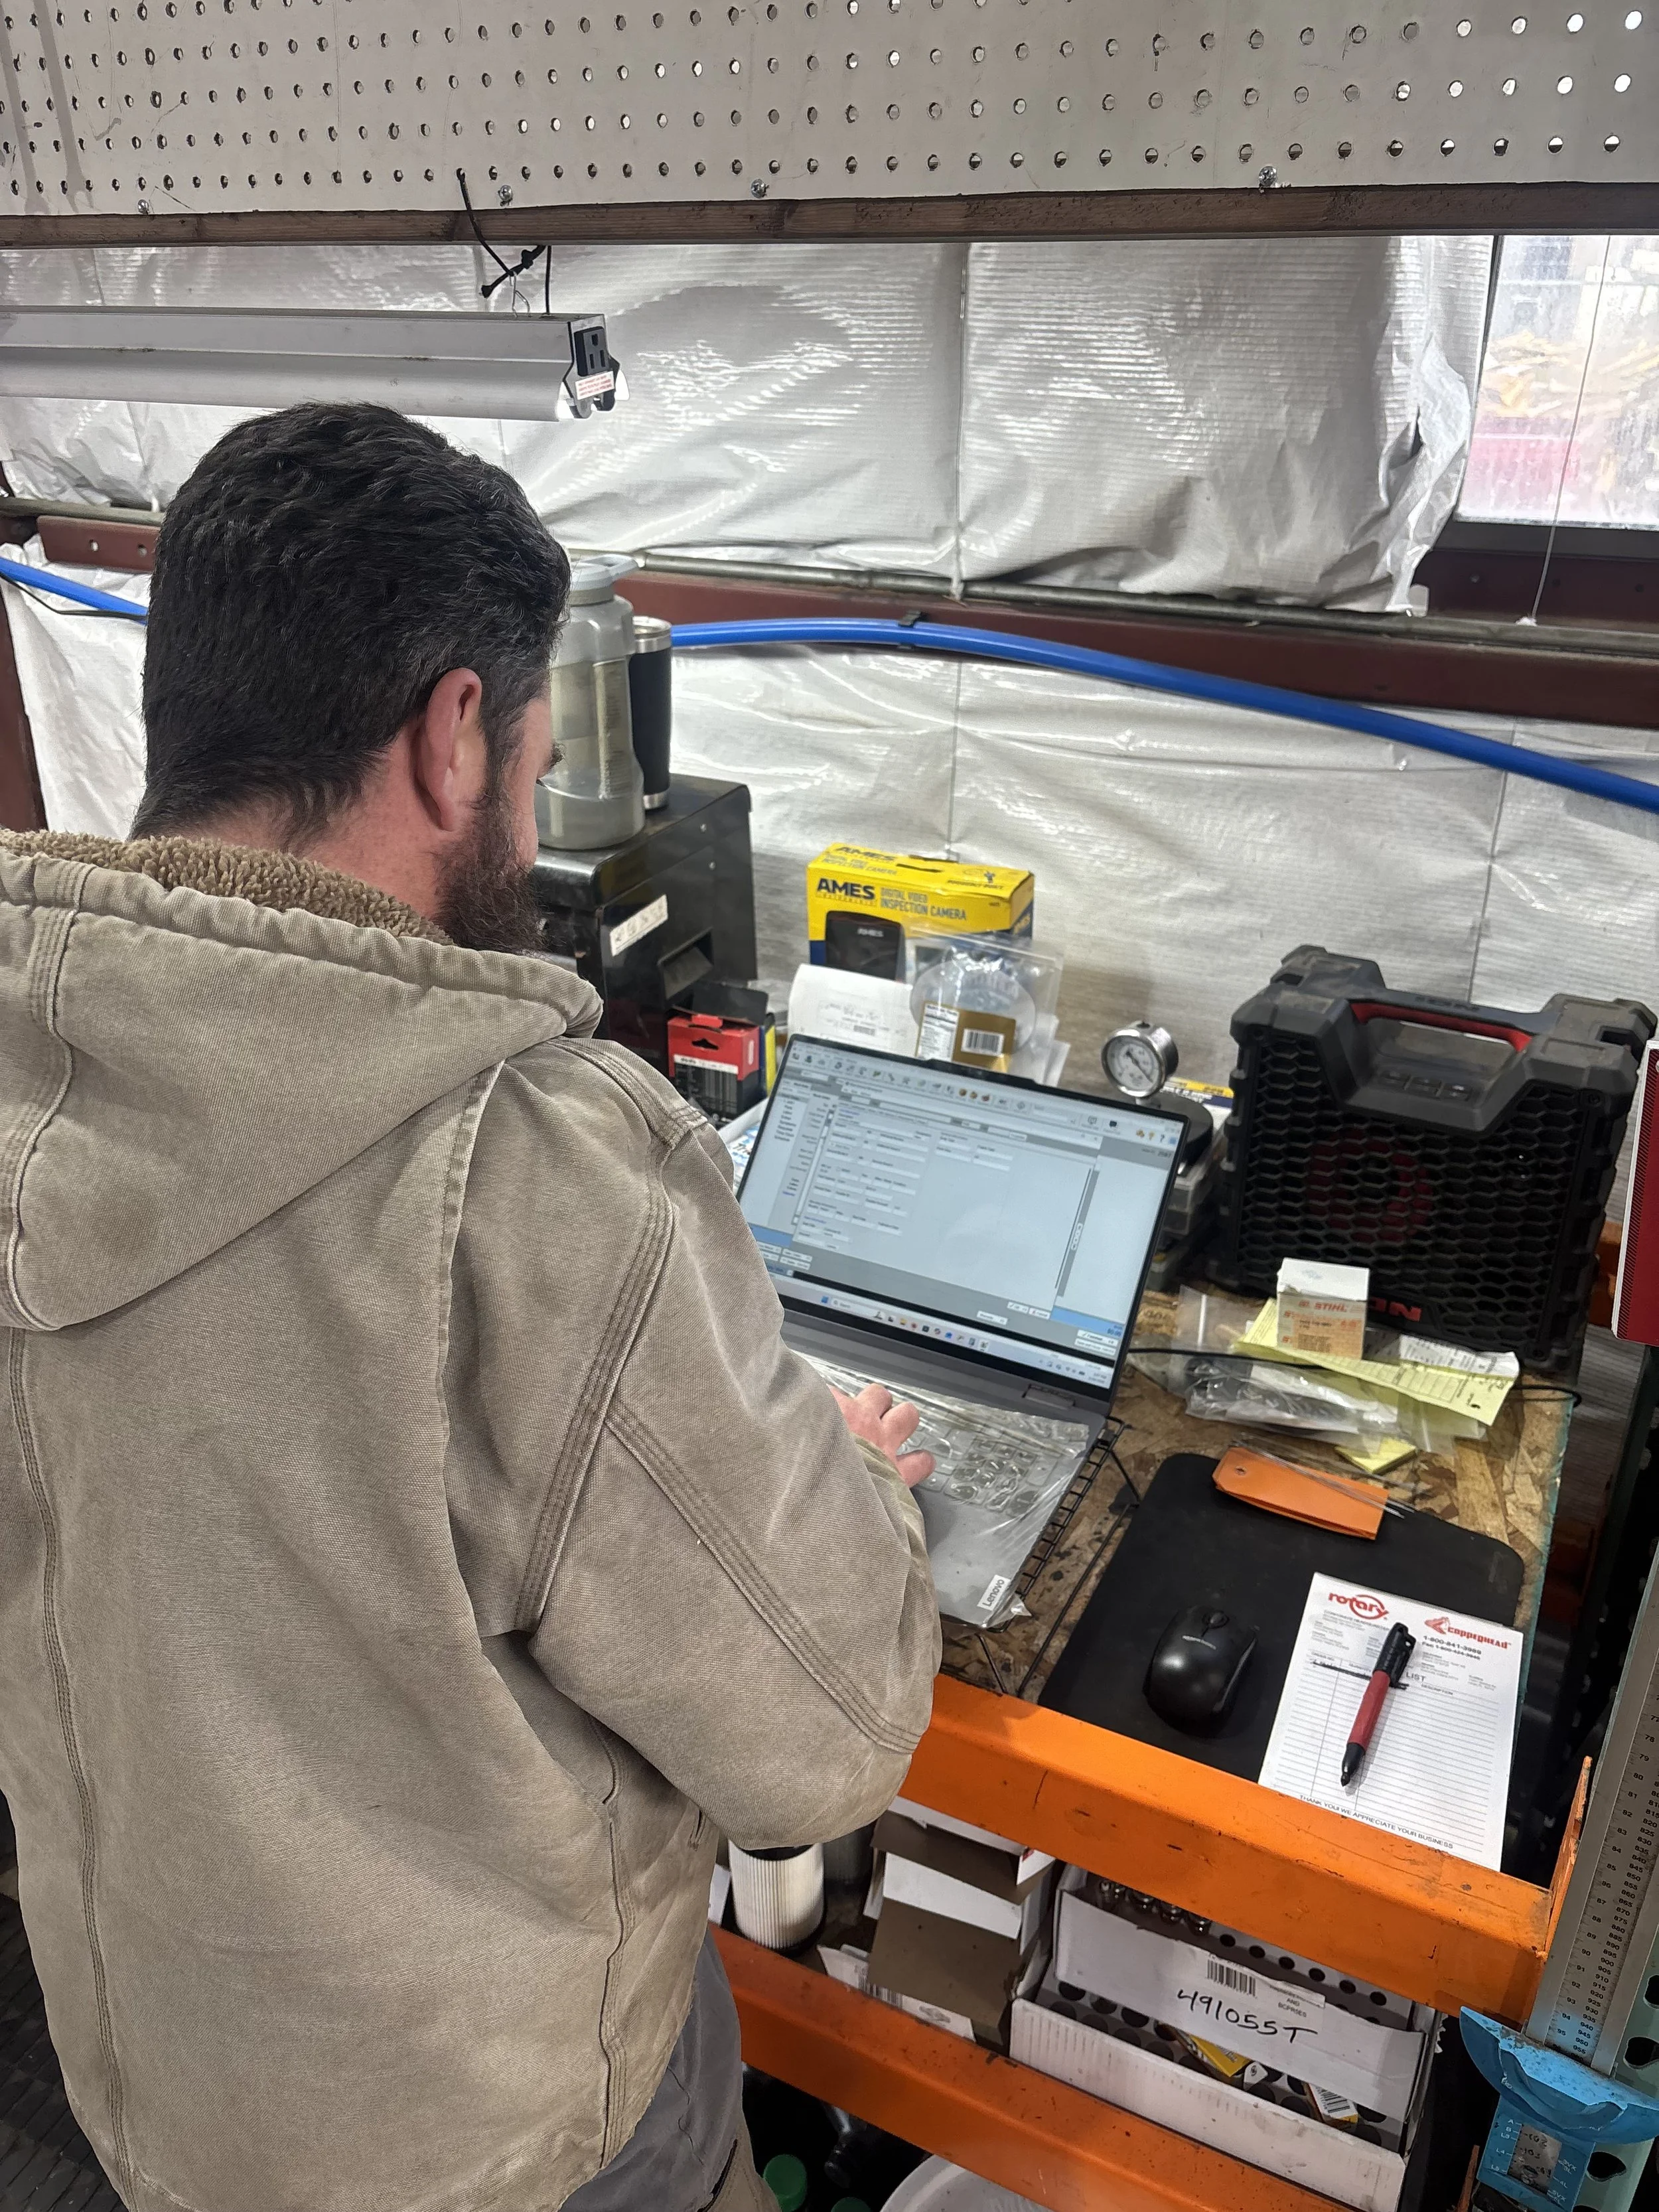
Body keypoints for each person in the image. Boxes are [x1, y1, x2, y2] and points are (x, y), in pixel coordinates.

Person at [0, 402, 941, 2212]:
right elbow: (818, 1740)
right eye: (522, 756)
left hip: (151, 2087)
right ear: (453, 736)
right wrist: (851, 1488)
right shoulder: (536, 1176)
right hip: (497, 2142)